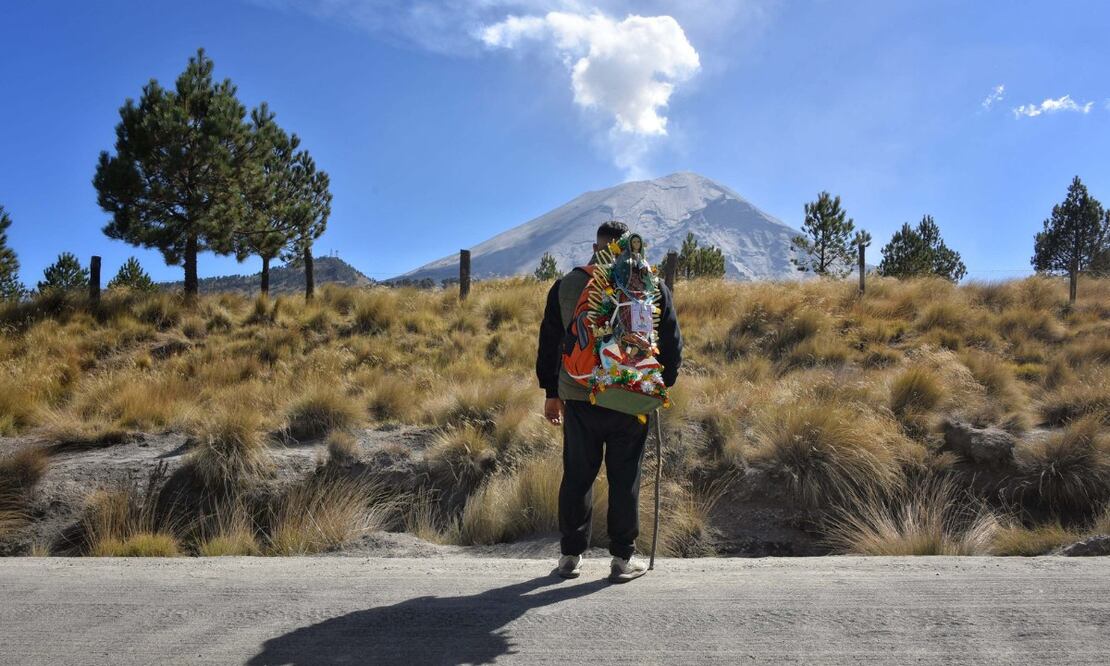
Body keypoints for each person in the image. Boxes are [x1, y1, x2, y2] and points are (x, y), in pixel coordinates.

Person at [535, 220, 683, 583]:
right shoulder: (652, 285)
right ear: (629, 245)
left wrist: (551, 392)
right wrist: (659, 387)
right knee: (625, 476)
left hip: (581, 394)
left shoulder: (568, 284)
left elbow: (551, 341)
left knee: (578, 475)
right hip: (630, 395)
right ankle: (621, 559)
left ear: (597, 246)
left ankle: (571, 556)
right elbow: (672, 344)